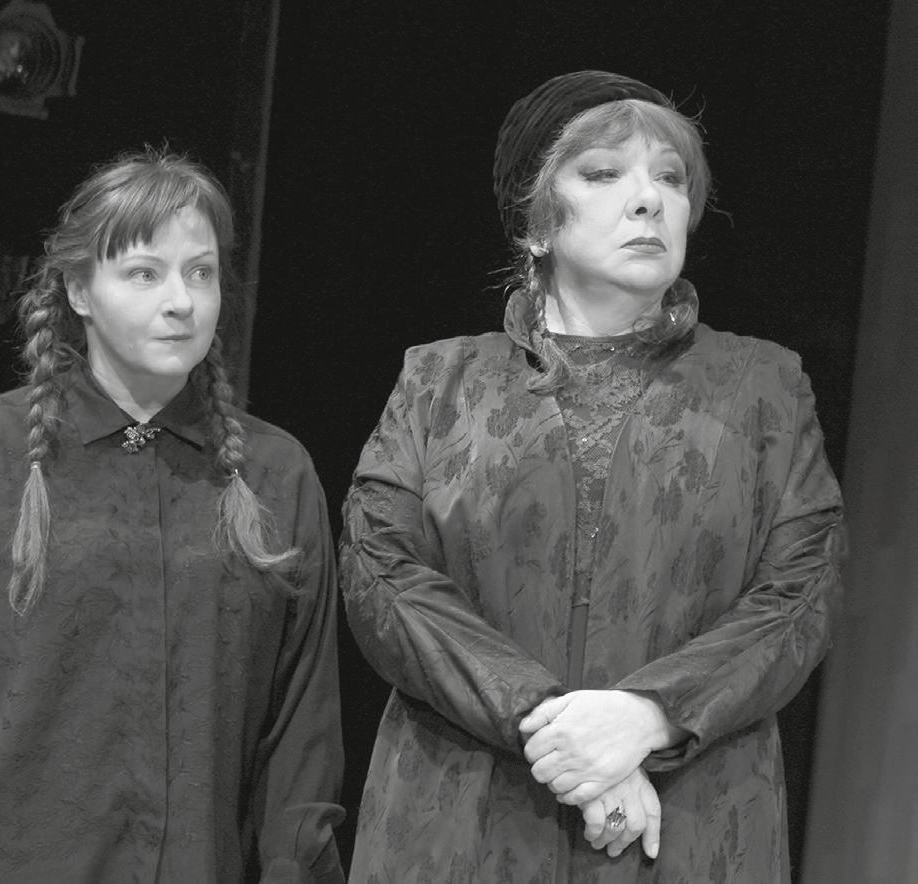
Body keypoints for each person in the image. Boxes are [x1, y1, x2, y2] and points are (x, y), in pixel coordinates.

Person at [339, 71, 844, 882]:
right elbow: (382, 576)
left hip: (688, 812)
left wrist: (647, 717)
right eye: (605, 173)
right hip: (467, 814)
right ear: (537, 223)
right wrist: (551, 726)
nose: (649, 200)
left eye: (671, 178)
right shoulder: (440, 382)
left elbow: (800, 596)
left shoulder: (765, 388)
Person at [0, 149, 345, 883]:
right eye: (144, 273)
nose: (182, 301)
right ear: (79, 289)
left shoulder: (275, 473)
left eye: (201, 273)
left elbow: (302, 723)